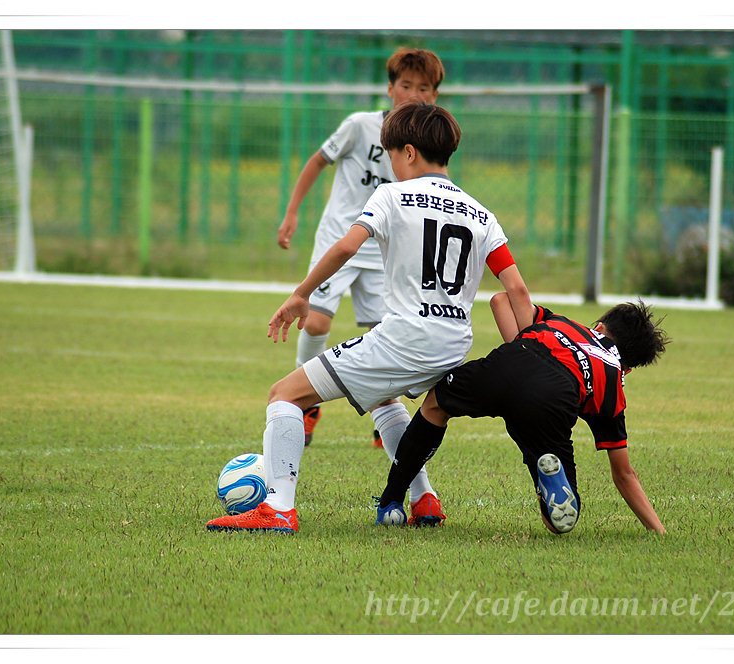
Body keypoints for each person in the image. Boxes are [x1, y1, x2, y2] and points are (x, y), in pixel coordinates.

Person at [206, 102, 533, 534]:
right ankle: (424, 498)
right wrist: (533, 353)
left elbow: (347, 246)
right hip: (453, 345)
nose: (391, 165)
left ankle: (278, 509)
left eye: (392, 155)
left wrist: (302, 294)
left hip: (404, 339)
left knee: (284, 395)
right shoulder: (481, 214)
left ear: (409, 153)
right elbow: (517, 290)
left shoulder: (391, 195)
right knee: (384, 398)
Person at [375, 293, 669, 535]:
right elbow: (623, 474)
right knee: (557, 522)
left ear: (599, 328)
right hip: (554, 399)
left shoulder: (564, 323)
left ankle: (391, 502)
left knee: (436, 406)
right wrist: (659, 530)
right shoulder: (613, 382)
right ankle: (552, 484)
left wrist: (521, 346)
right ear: (628, 368)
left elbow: (500, 300)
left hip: (516, 358)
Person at [276, 47, 445, 449]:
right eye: (406, 85)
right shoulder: (360, 125)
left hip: (383, 250)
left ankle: (385, 415)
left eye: (424, 88)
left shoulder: (425, 145)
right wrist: (292, 212)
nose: (414, 95)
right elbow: (317, 161)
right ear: (390, 89)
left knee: (384, 335)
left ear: (435, 96)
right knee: (316, 323)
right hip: (340, 238)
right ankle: (306, 404)